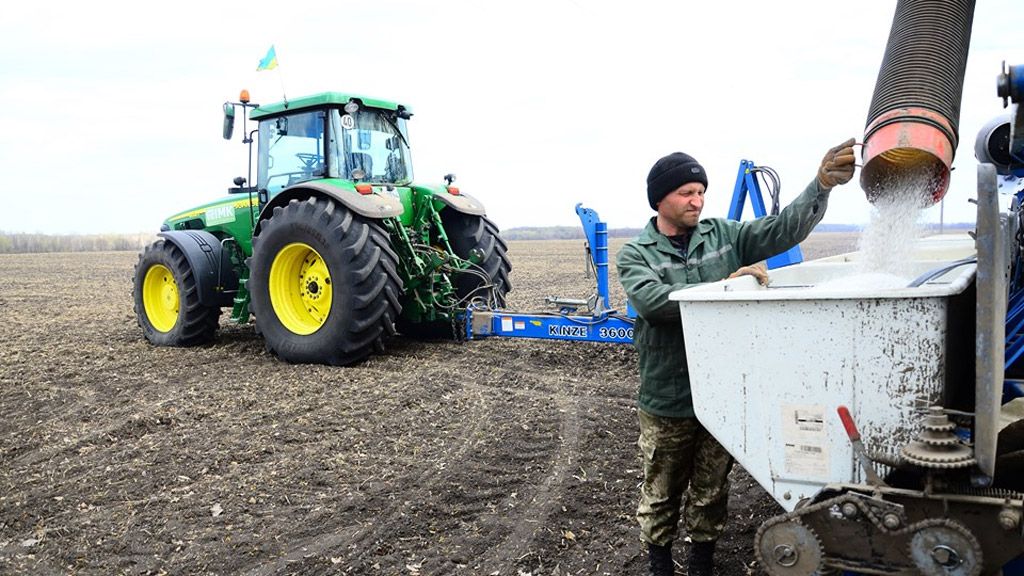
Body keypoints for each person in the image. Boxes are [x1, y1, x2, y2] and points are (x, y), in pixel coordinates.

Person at [616, 139, 856, 576]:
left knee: (711, 488)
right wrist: (728, 287)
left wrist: (821, 185)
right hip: (669, 397)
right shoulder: (636, 254)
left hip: (722, 394)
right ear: (659, 200)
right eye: (686, 193)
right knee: (661, 490)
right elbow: (654, 304)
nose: (697, 200)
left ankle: (703, 562)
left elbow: (784, 229)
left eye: (701, 191)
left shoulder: (726, 235)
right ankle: (659, 564)